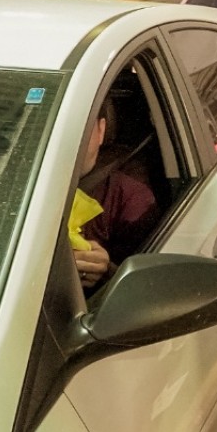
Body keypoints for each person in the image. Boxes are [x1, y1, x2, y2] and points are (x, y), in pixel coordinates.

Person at [70, 98, 160, 290]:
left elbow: (147, 289)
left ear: (101, 130)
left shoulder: (132, 199)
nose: (67, 137)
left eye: (79, 124)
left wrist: (105, 271)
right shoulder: (15, 186)